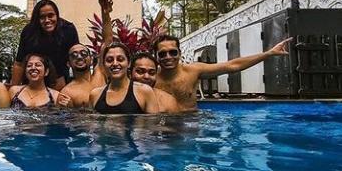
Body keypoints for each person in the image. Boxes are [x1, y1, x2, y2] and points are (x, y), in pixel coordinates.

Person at [153, 34, 293, 112]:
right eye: (162, 54)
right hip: (164, 125)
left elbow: (233, 65)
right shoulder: (151, 78)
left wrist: (269, 53)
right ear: (156, 56)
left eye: (172, 52)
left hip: (191, 122)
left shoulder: (193, 71)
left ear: (179, 53)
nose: (168, 57)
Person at [60, 0, 114, 108]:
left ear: (91, 58)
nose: (79, 57)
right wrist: (70, 110)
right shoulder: (67, 92)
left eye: (83, 53)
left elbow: (108, 40)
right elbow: (65, 118)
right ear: (68, 63)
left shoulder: (100, 73)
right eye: (74, 55)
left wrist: (105, 11)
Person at [12, 0, 79, 90]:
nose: (47, 20)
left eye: (51, 16)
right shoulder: (29, 32)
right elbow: (19, 64)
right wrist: (14, 90)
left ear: (57, 15)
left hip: (60, 79)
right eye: (42, 17)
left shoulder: (68, 30)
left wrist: (77, 86)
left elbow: (75, 60)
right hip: (33, 80)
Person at [90, 42, 159, 114]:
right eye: (109, 60)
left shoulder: (145, 91)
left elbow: (154, 121)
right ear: (104, 65)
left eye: (120, 59)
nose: (115, 63)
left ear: (129, 63)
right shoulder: (95, 95)